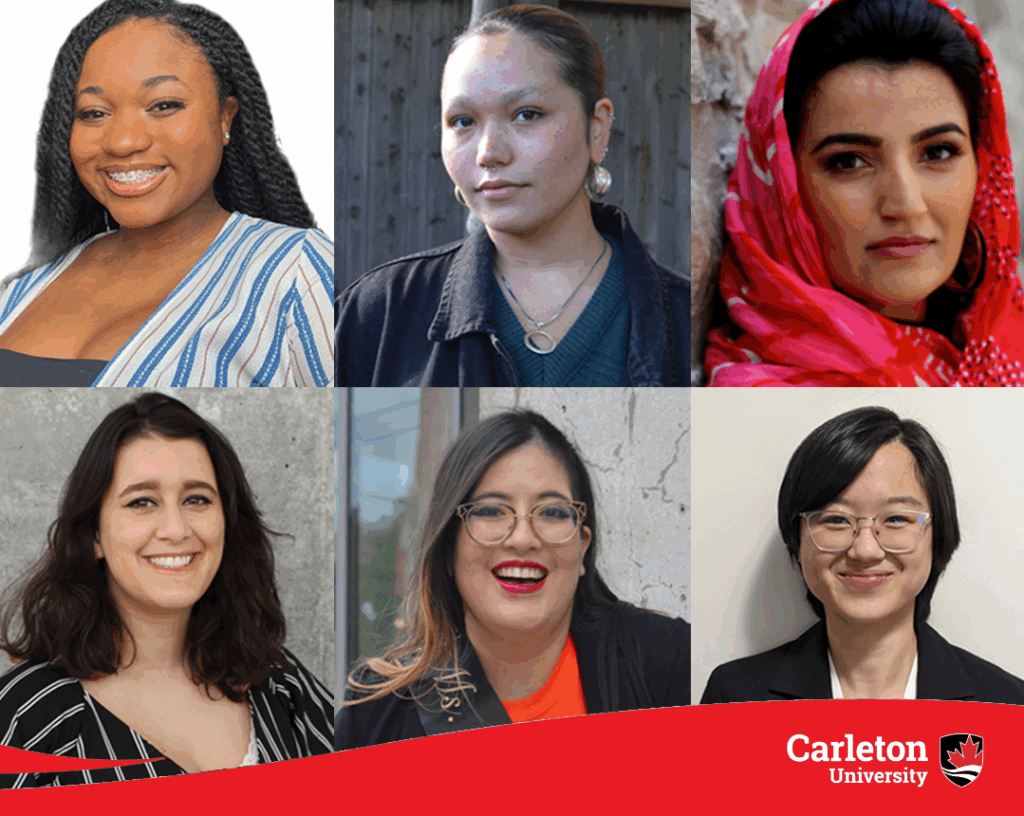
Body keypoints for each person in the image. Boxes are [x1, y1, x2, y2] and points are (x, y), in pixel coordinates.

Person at [336, 4, 689, 387]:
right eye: (463, 122)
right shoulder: (375, 315)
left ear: (598, 128)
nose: (490, 152)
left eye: (527, 114)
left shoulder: (684, 319)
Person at [0, 393, 333, 788]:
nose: (176, 529)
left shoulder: (279, 684)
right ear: (94, 536)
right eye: (142, 502)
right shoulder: (28, 714)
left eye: (197, 499)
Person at [0, 0, 334, 387]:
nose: (123, 142)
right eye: (93, 113)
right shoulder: (22, 290)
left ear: (226, 116)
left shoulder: (299, 273)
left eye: (163, 105)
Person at [704, 0, 1021, 387]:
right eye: (849, 162)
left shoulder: (1000, 347)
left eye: (938, 152)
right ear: (782, 185)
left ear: (981, 164)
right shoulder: (756, 402)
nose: (906, 205)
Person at [337, 410, 689, 749]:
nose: (523, 539)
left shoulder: (668, 663)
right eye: (490, 511)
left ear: (583, 546)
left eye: (552, 512)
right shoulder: (375, 713)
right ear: (448, 547)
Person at [701, 406, 1024, 703]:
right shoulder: (734, 697)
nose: (865, 550)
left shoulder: (1007, 704)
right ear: (797, 540)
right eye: (836, 520)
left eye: (896, 519)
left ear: (938, 537)